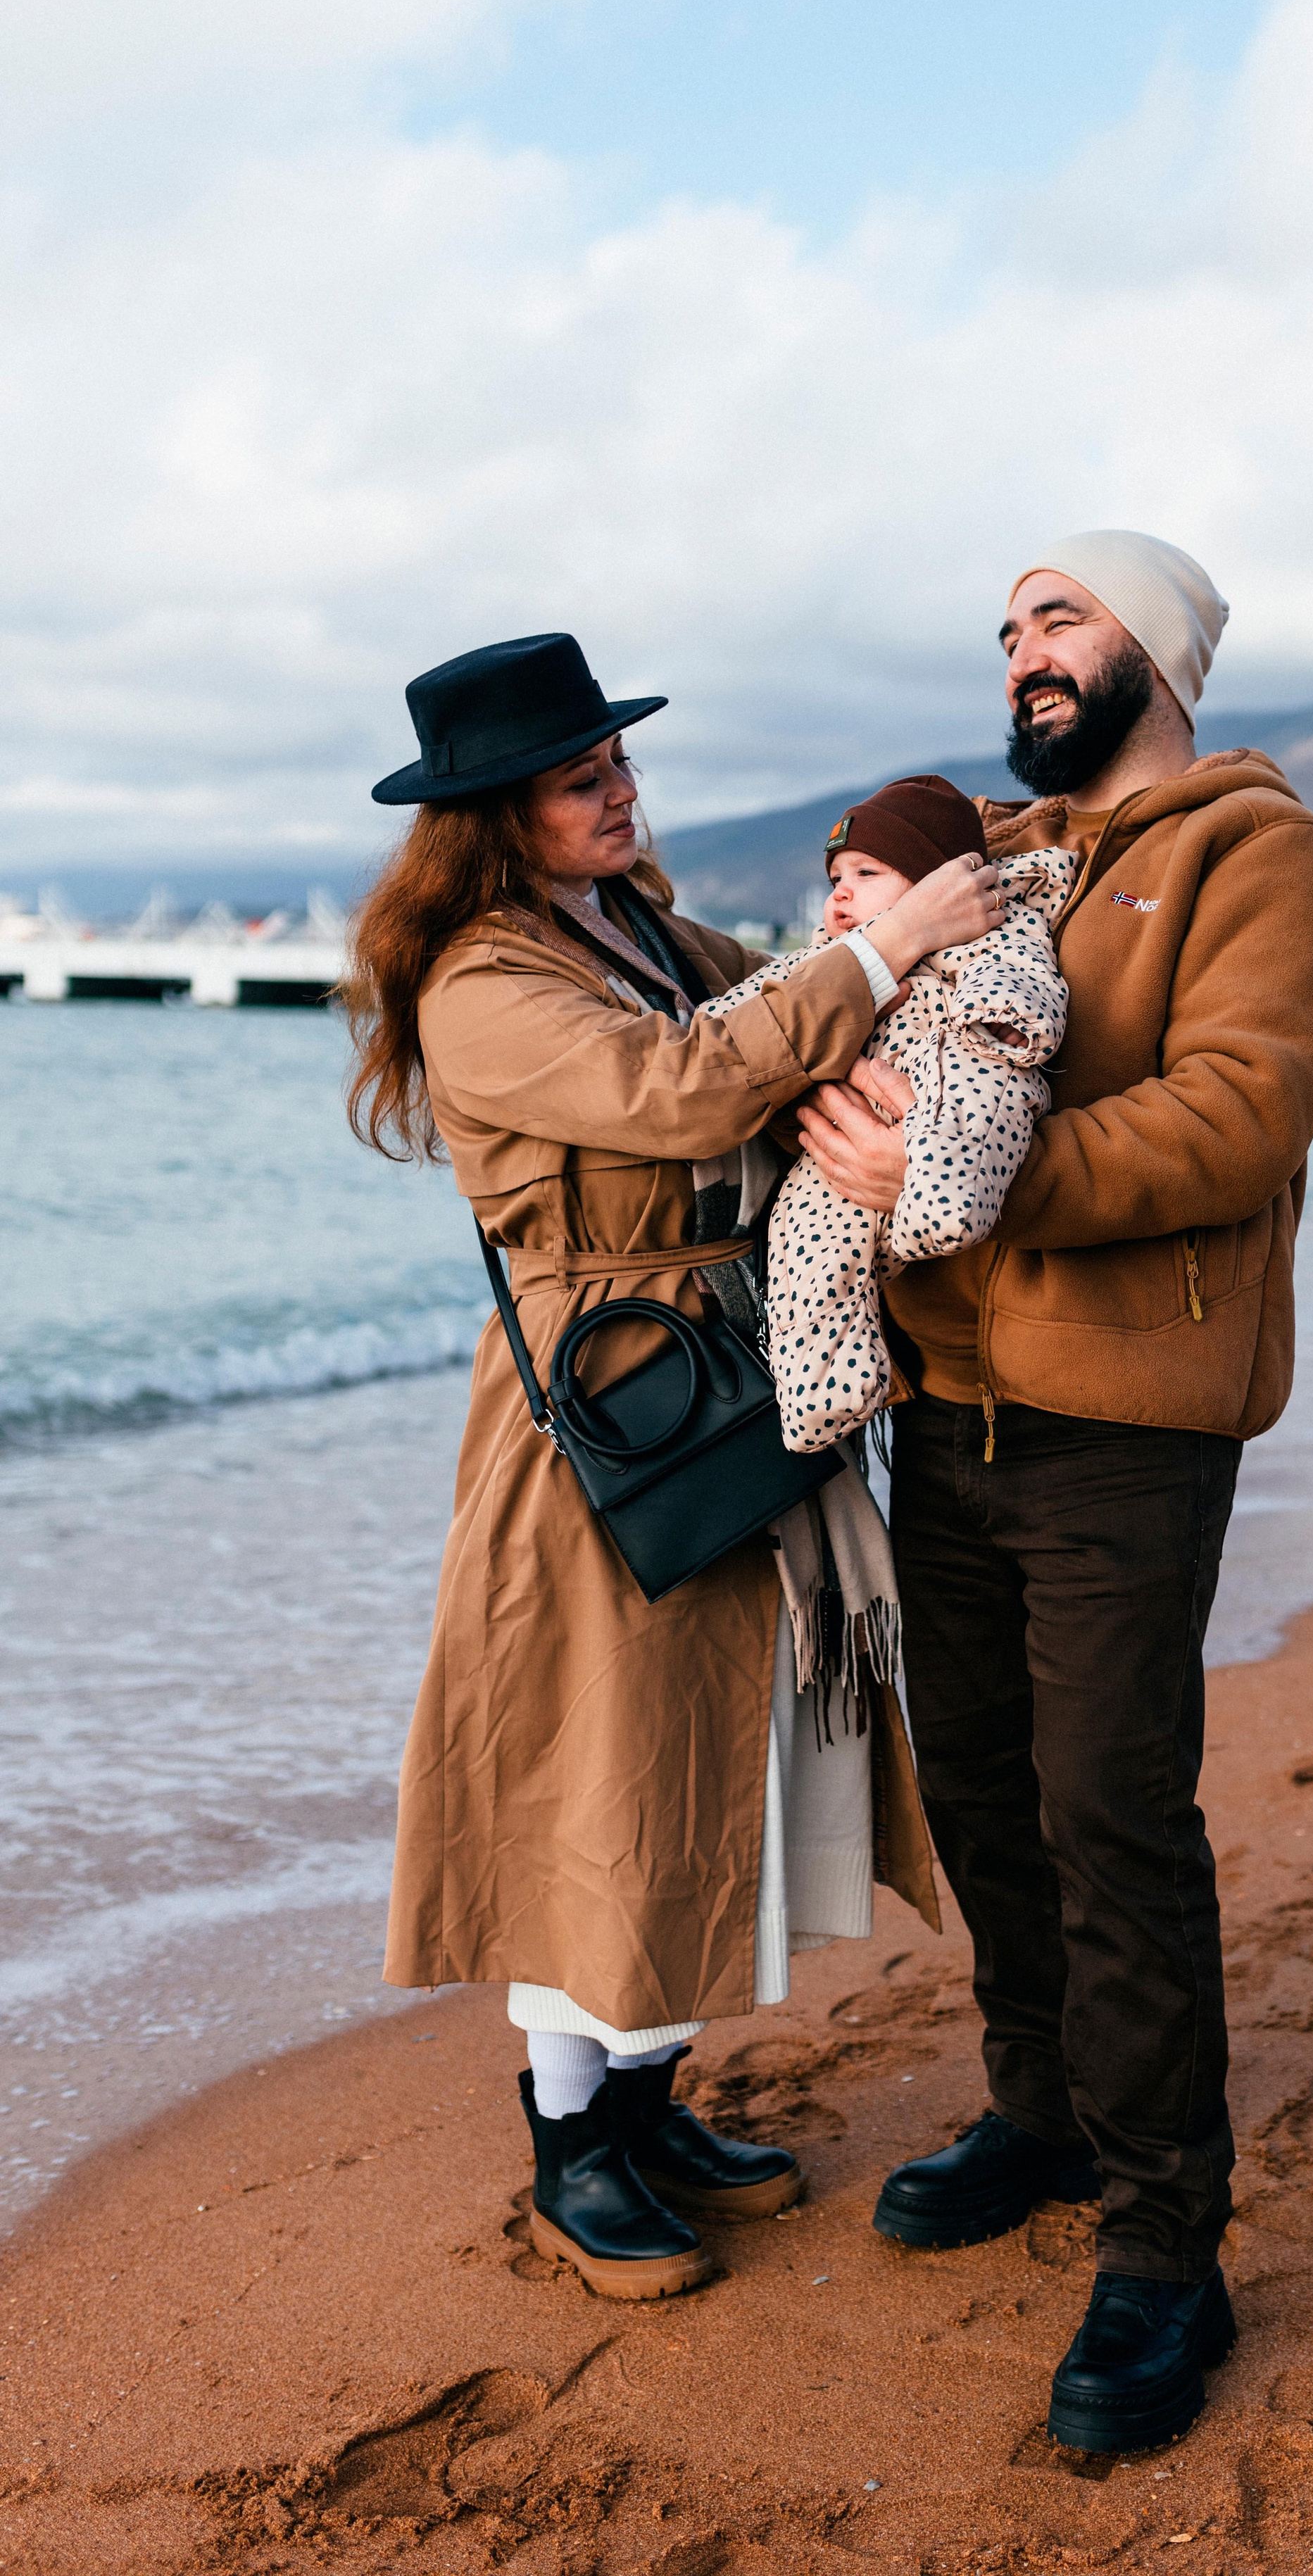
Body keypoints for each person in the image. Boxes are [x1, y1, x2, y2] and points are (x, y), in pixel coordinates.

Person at [796, 533, 1313, 2453]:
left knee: (1108, 1812)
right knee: (978, 1787)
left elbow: (1232, 1120)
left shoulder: (1259, 859)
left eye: (1060, 615)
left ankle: (1165, 2248)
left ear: (1164, 645)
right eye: (1010, 628)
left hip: (1131, 1420)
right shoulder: (1007, 861)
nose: (1023, 650)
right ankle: (1040, 2112)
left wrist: (952, 1185)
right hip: (948, 1398)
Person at [346, 630, 998, 2301]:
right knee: (598, 1778)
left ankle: (641, 2101)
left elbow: (779, 994)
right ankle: (572, 2147)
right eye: (582, 776)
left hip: (714, 1375)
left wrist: (926, 907)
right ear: (496, 813)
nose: (620, 787)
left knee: (706, 1760)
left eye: (620, 759)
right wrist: (886, 948)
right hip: (613, 1415)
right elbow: (694, 1080)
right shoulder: (482, 979)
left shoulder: (625, 923)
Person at [694, 772, 1077, 1450]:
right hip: (844, 1137)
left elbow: (1021, 976)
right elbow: (759, 1005)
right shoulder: (828, 959)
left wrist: (1003, 1024)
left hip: (964, 1059)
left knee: (987, 1112)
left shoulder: (993, 927)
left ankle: (946, 1201)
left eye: (866, 871)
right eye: (836, 874)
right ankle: (824, 1389)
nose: (840, 891)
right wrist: (714, 1025)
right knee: (803, 1243)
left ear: (939, 886)